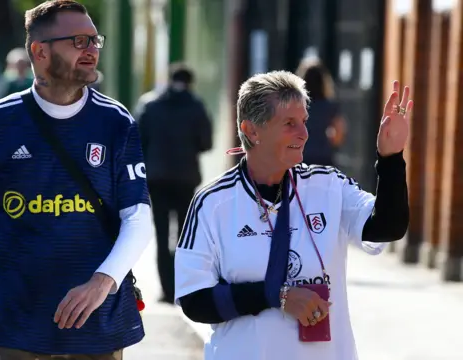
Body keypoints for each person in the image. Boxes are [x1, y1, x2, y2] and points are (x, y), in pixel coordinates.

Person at [0, 1, 152, 359]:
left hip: (95, 330)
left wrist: (102, 282)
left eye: (96, 41)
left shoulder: (116, 123)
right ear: (40, 51)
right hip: (10, 330)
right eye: (79, 41)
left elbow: (139, 219)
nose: (92, 50)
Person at [174, 70, 411, 360]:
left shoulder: (329, 186)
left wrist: (391, 159)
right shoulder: (212, 203)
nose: (304, 133)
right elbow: (194, 300)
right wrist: (277, 297)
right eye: (289, 123)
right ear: (251, 131)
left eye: (304, 122)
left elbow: (386, 228)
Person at [135, 63, 212, 303]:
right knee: (183, 236)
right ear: (190, 82)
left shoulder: (149, 104)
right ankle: (182, 287)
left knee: (161, 234)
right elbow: (206, 143)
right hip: (185, 178)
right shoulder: (197, 107)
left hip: (156, 178)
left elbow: (137, 139)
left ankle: (166, 290)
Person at [296, 57, 347, 166]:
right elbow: (339, 133)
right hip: (323, 159)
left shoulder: (296, 106)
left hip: (300, 158)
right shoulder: (331, 106)